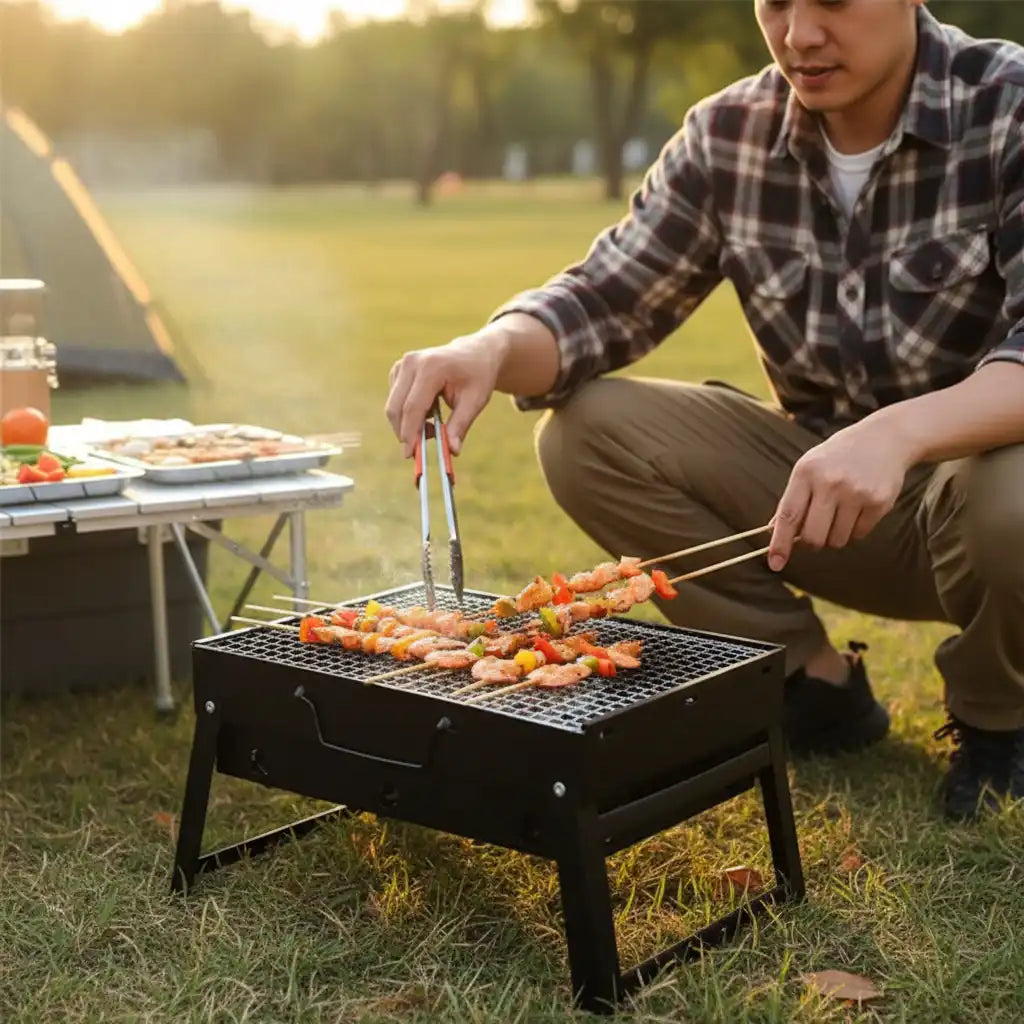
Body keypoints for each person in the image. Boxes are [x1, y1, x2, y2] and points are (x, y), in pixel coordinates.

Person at [385, 0, 1024, 823]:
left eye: (830, 0)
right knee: (585, 431)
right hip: (817, 504)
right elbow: (605, 296)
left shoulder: (1005, 103)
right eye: (776, 3)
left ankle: (1000, 722)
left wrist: (898, 435)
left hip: (980, 506)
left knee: (1013, 492)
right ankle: (808, 686)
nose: (799, 34)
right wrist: (491, 348)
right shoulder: (730, 133)